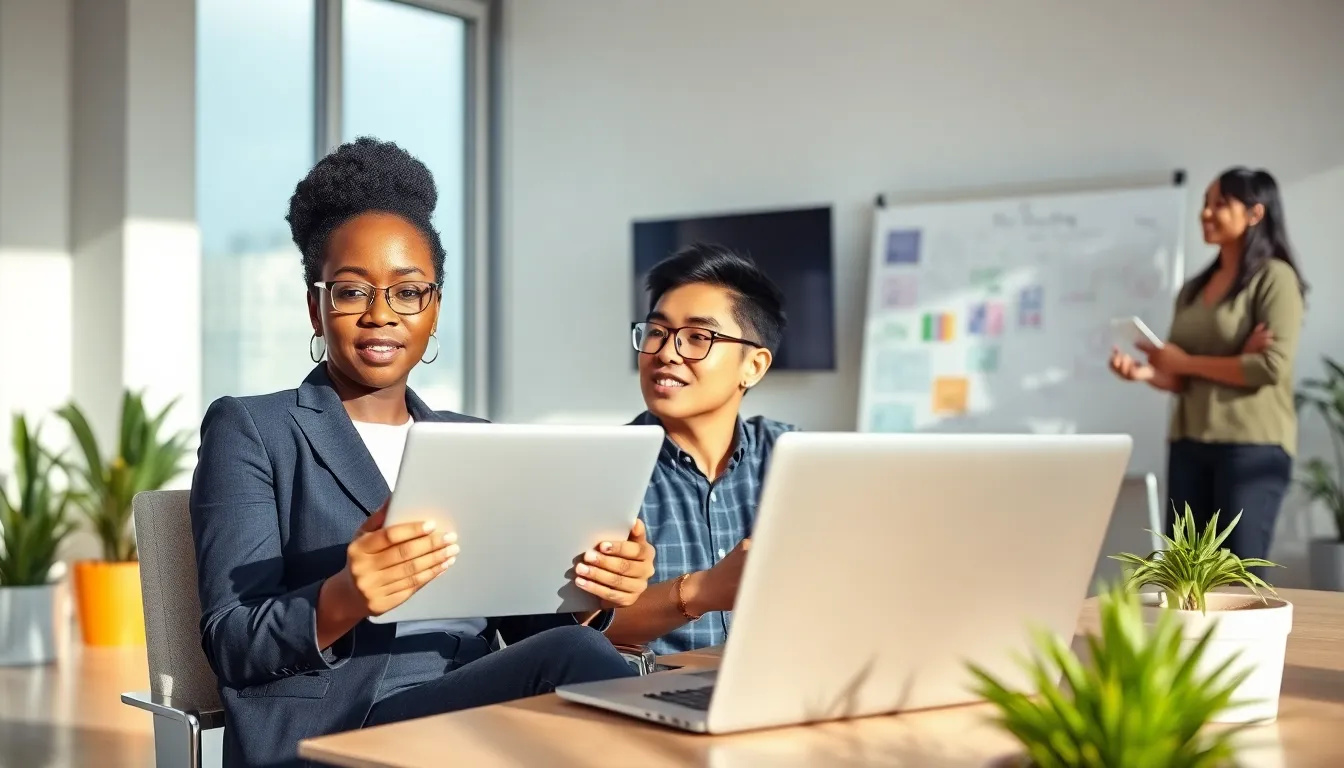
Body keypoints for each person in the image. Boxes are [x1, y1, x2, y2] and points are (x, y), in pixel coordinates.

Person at [190, 138, 651, 768]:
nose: (381, 314)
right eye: (352, 292)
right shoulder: (253, 428)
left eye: (408, 292)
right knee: (583, 675)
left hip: (471, 710)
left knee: (589, 665)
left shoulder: (475, 440)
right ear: (315, 308)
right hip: (336, 730)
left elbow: (526, 636)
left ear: (433, 309)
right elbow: (231, 643)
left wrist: (592, 593)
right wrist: (346, 595)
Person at [602, 243, 796, 656]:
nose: (666, 353)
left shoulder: (797, 459)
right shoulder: (603, 469)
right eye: (657, 332)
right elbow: (580, 634)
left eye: (697, 337)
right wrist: (703, 590)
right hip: (645, 697)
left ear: (754, 366)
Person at [1109, 167, 1307, 565]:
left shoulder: (1274, 278)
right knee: (1185, 575)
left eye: (1220, 204)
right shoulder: (1194, 288)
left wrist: (1187, 361)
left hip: (1250, 445)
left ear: (1255, 213)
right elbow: (1182, 377)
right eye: (1204, 203)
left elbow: (1269, 367)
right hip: (1189, 444)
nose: (1206, 213)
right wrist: (1149, 372)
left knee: (1238, 575)